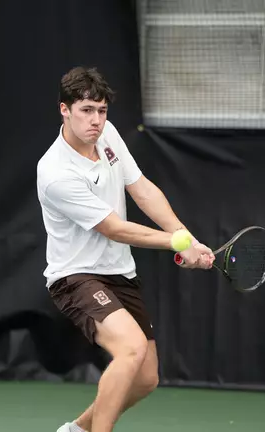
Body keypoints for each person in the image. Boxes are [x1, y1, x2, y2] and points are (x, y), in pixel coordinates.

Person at [36, 66, 215, 432]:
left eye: (102, 111)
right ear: (64, 110)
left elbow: (142, 188)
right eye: (86, 110)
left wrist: (189, 238)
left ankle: (77, 431)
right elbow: (114, 228)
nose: (96, 120)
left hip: (120, 273)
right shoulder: (55, 172)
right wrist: (176, 242)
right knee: (130, 348)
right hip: (76, 277)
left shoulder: (107, 135)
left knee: (147, 378)